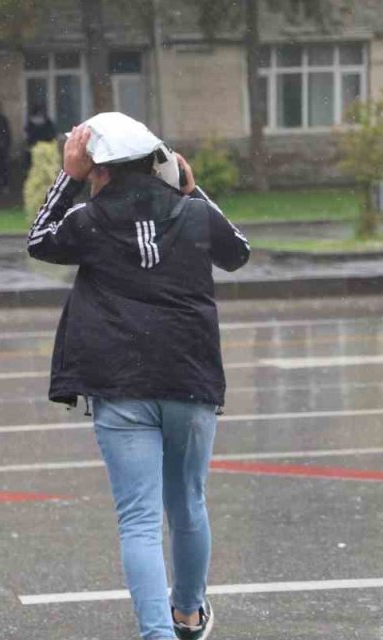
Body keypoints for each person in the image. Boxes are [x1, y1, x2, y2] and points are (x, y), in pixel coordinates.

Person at [27, 113, 250, 640]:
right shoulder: (194, 214)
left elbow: (39, 242)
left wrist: (68, 177)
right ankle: (190, 613)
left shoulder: (88, 220)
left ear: (97, 168)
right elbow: (238, 253)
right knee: (188, 503)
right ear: (160, 162)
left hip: (120, 384)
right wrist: (196, 191)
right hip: (190, 379)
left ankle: (158, 633)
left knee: (140, 521)